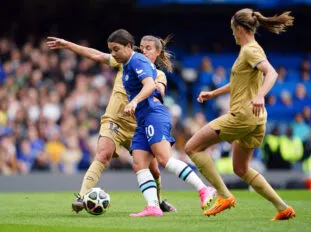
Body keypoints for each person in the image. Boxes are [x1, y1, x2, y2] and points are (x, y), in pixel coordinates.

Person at [184, 8, 296, 220]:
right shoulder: (251, 50)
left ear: (240, 28)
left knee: (192, 147)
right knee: (241, 168)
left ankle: (224, 195)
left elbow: (271, 73)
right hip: (257, 119)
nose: (232, 34)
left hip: (242, 115)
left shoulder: (249, 51)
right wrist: (213, 93)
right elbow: (238, 83)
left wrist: (261, 95)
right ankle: (283, 208)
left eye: (232, 29)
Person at [46, 34, 177, 213]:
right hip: (114, 120)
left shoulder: (159, 74)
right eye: (142, 47)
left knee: (154, 170)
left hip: (138, 127)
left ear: (157, 52)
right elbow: (95, 55)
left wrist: (153, 89)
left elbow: (159, 89)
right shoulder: (125, 62)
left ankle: (158, 201)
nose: (144, 51)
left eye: (149, 48)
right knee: (102, 154)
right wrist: (68, 44)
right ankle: (82, 195)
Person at [107, 29, 215, 217]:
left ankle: (204, 189)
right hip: (142, 119)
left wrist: (134, 102)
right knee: (139, 163)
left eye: (116, 49)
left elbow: (150, 86)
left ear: (127, 47)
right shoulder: (128, 65)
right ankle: (153, 206)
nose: (113, 54)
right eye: (143, 48)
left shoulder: (138, 62)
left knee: (164, 159)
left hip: (153, 115)